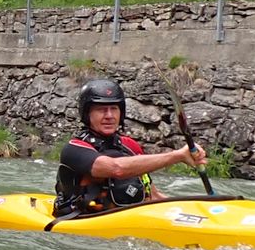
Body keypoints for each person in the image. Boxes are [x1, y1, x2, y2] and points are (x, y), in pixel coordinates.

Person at [54, 77, 205, 217]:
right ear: (87, 114)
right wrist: (177, 156)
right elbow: (116, 169)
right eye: (101, 109)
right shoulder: (74, 149)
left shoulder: (130, 146)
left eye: (114, 109)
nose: (109, 115)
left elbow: (153, 195)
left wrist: (190, 211)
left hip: (127, 220)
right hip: (83, 220)